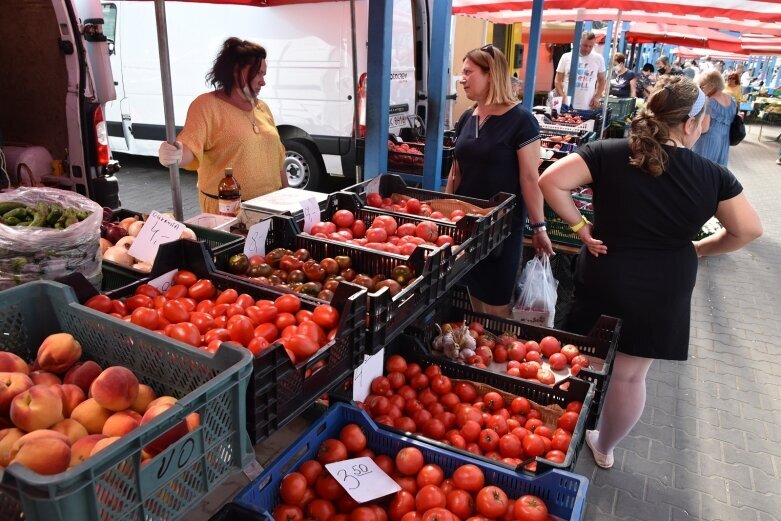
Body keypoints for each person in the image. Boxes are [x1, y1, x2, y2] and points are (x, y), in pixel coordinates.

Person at [538, 75, 762, 469]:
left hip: (607, 270)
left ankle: (559, 436)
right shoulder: (713, 176)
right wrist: (701, 248)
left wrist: (580, 228)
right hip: (665, 284)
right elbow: (748, 230)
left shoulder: (609, 152)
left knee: (583, 361)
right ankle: (603, 446)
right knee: (628, 377)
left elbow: (550, 180)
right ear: (690, 124)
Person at [447, 44, 553, 317]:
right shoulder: (466, 118)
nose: (462, 79)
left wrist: (539, 227)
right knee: (467, 301)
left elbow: (530, 178)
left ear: (491, 75)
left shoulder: (522, 121)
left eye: (469, 72)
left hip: (501, 231)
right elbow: (455, 172)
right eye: (462, 73)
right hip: (466, 228)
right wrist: (444, 214)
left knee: (495, 305)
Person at [158, 37, 288, 213]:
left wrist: (288, 195)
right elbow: (190, 148)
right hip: (228, 212)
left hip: (270, 208)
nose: (263, 81)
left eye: (264, 74)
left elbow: (278, 158)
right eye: (258, 73)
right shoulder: (206, 105)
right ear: (236, 71)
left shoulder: (262, 107)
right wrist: (176, 153)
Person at [693, 70, 736, 166]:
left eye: (702, 86)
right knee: (718, 172)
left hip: (708, 142)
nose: (702, 89)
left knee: (703, 170)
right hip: (724, 141)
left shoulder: (709, 102)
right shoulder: (732, 101)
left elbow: (704, 128)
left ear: (710, 85)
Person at [554, 32, 607, 110]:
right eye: (585, 45)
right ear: (579, 43)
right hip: (566, 104)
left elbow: (602, 81)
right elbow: (557, 80)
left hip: (587, 105)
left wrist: (597, 97)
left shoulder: (598, 58)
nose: (587, 49)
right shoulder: (566, 57)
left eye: (590, 46)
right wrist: (562, 97)